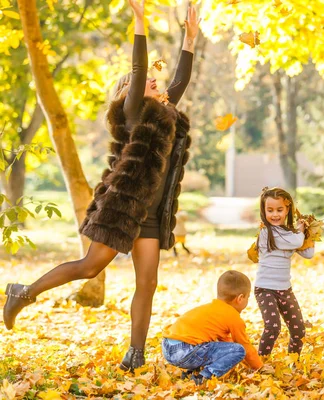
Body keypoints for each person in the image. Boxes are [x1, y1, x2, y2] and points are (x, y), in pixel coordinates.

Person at [2, 0, 198, 372]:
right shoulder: (132, 113)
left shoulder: (162, 115)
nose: (155, 83)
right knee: (90, 267)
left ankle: (135, 353)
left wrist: (189, 39)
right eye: (143, 83)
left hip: (152, 215)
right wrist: (139, 21)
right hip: (123, 207)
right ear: (129, 93)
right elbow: (140, 70)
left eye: (156, 84)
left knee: (148, 281)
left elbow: (179, 82)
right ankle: (22, 293)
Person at [161, 270, 262, 385]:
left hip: (167, 347)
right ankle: (204, 377)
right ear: (240, 298)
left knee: (207, 345)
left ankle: (191, 373)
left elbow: (226, 346)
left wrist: (244, 363)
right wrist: (258, 367)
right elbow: (244, 346)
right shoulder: (233, 317)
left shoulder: (211, 309)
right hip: (185, 351)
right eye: (248, 297)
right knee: (240, 350)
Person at [254, 187, 314, 356]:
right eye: (270, 210)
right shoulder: (266, 233)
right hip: (265, 289)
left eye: (279, 210)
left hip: (284, 289)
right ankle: (260, 363)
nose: (275, 214)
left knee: (299, 331)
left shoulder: (290, 235)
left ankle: (293, 362)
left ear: (288, 210)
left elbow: (308, 253)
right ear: (263, 210)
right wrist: (300, 230)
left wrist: (309, 232)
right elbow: (295, 241)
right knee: (273, 327)